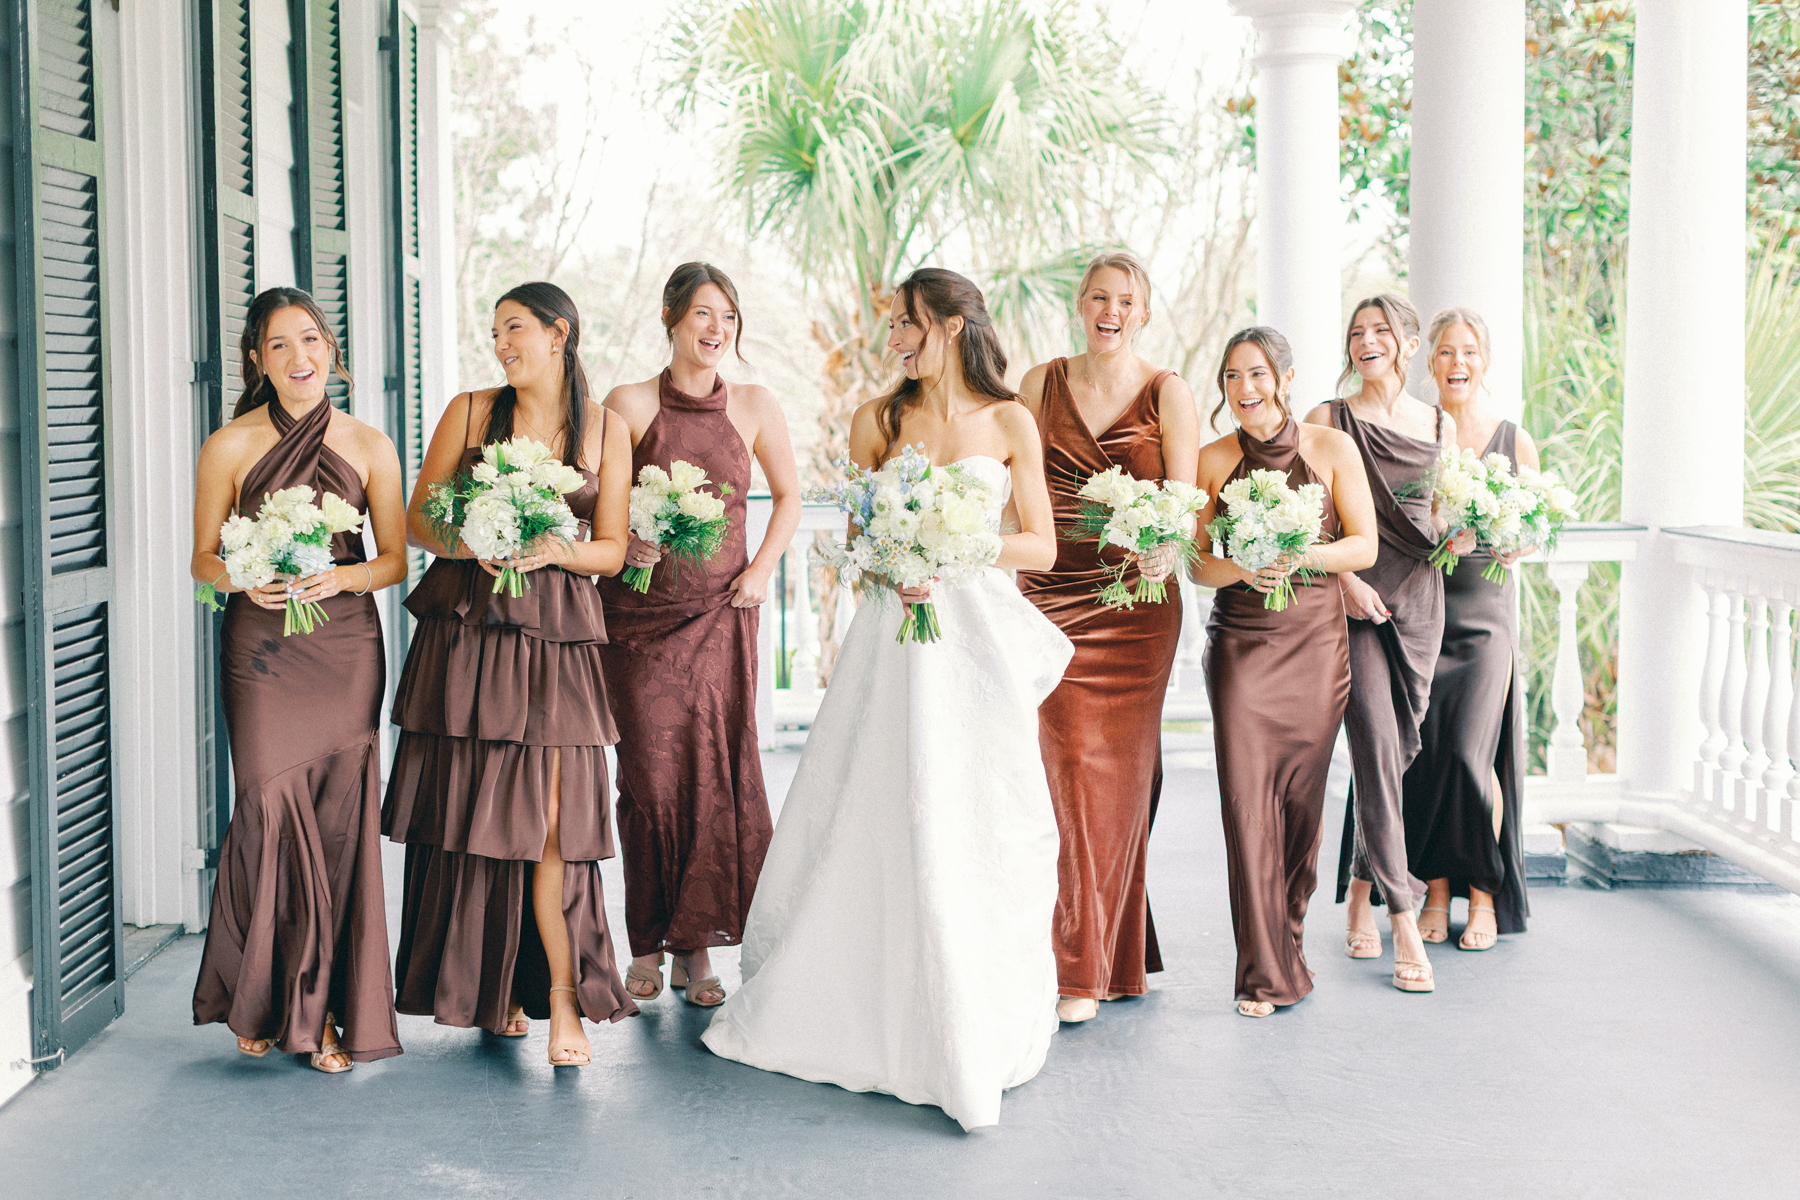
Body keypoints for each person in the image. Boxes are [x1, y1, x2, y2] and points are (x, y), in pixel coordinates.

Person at [701, 268, 1074, 1131]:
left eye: (907, 323)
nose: (894, 339)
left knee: (979, 816)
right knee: (876, 805)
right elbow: (862, 542)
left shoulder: (1010, 419)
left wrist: (953, 546)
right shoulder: (878, 420)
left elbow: (1042, 546)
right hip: (892, 642)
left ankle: (969, 1009)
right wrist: (894, 563)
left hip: (972, 648)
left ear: (951, 325)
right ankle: (857, 1006)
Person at [383, 282, 638, 1066]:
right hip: (474, 635)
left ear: (559, 334)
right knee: (483, 812)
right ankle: (494, 991)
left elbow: (612, 549)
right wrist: (474, 540)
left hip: (559, 641)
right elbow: (419, 518)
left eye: (514, 329)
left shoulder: (608, 428)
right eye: (495, 332)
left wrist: (559, 547)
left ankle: (563, 1001)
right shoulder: (469, 411)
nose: (500, 345)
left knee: (555, 821)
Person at [190, 287, 407, 1071]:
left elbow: (395, 559)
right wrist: (241, 579)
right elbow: (202, 558)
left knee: (339, 824)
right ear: (257, 360)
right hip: (261, 652)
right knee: (265, 811)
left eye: (309, 339)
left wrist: (344, 579)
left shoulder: (371, 444)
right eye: (279, 345)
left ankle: (327, 1015)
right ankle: (259, 998)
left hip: (344, 649)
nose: (298, 357)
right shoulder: (230, 445)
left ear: (331, 349)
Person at [600, 264, 801, 1007]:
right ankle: (644, 941)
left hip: (723, 614)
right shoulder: (627, 403)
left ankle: (695, 950)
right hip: (638, 619)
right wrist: (623, 542)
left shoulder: (754, 404)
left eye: (728, 317)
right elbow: (595, 499)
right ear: (671, 316)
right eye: (703, 315)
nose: (717, 329)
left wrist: (761, 570)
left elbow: (789, 497)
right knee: (649, 782)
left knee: (711, 776)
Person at [1015, 250, 1199, 1023]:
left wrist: (1167, 545)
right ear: (1080, 306)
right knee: (1063, 775)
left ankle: (1092, 967)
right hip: (1050, 599)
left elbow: (1185, 503)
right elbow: (1014, 495)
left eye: (1125, 299)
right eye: (1098, 297)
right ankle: (1074, 958)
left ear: (1144, 312)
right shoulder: (1038, 384)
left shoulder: (1169, 392)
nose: (1110, 310)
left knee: (1118, 786)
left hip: (1135, 611)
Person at [1193, 327, 1377, 1017]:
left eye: (1257, 373)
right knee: (1248, 810)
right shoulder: (1212, 459)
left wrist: (1300, 555)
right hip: (1242, 650)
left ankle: (1288, 940)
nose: (1244, 388)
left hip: (1315, 648)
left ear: (1286, 378)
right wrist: (1245, 567)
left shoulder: (1332, 448)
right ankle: (1262, 973)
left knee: (1300, 810)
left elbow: (1363, 546)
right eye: (1232, 376)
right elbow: (1196, 563)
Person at [1307, 293, 1472, 994]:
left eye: (1380, 330)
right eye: (1356, 332)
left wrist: (1465, 532)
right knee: (1376, 746)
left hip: (1420, 602)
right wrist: (1344, 582)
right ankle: (1401, 915)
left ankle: (1356, 890)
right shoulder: (1327, 419)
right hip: (1355, 603)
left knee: (1394, 755)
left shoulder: (1439, 423)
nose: (1366, 341)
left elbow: (1448, 513)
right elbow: (1307, 520)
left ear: (1408, 343)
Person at [1403, 308, 1536, 949]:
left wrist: (1515, 543)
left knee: (1473, 756)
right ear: (1430, 361)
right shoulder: (1416, 432)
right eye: (1447, 352)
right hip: (1426, 610)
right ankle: (1436, 889)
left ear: (1485, 361)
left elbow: (1536, 526)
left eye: (1470, 352)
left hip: (1485, 616)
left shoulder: (1514, 438)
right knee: (1431, 756)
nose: (1458, 363)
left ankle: (1483, 893)